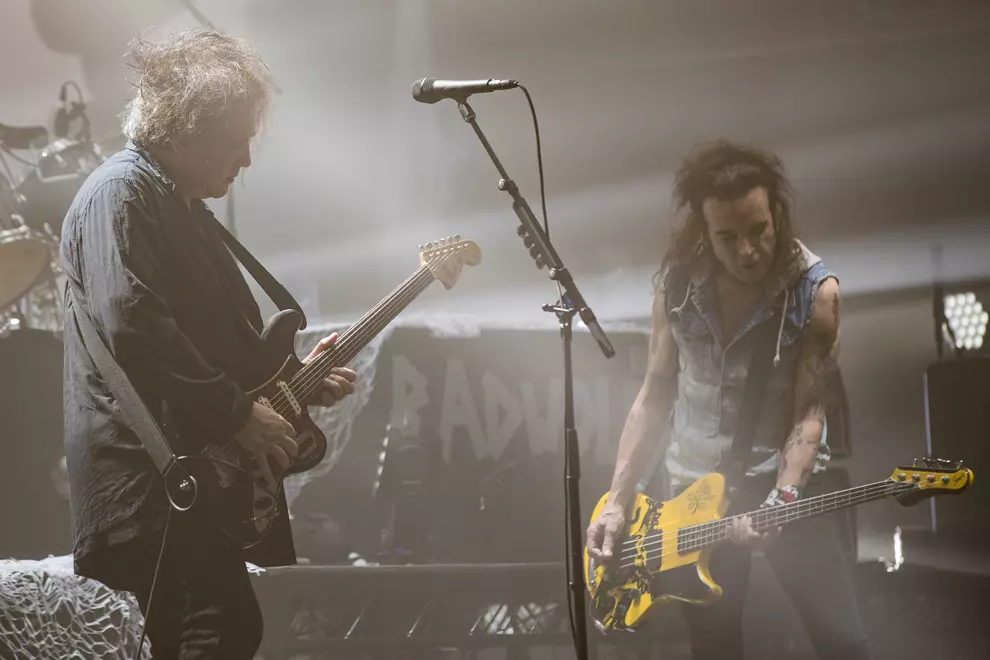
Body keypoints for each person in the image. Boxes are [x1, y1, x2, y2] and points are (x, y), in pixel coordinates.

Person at [59, 29, 357, 658]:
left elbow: (217, 348)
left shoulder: (181, 208)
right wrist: (235, 412)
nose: (246, 159)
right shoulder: (122, 193)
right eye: (235, 141)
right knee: (217, 628)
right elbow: (132, 321)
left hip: (187, 473)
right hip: (152, 478)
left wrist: (293, 383)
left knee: (211, 630)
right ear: (183, 131)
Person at [586, 140, 871, 659]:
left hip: (788, 482)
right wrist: (618, 501)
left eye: (759, 230)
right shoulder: (676, 287)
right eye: (728, 237)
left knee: (843, 642)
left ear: (776, 213)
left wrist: (782, 499)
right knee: (715, 648)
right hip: (692, 490)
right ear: (703, 229)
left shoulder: (815, 292)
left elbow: (810, 411)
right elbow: (654, 395)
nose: (747, 250)